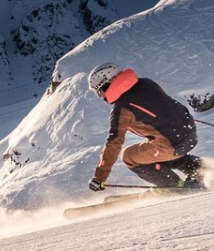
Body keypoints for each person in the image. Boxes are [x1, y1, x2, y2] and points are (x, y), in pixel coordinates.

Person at [86, 63, 204, 191]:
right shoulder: (146, 83)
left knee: (130, 157)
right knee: (153, 148)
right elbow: (163, 104)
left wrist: (99, 178)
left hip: (173, 144)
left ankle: (176, 186)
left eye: (99, 91)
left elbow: (114, 143)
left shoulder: (122, 108)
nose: (100, 96)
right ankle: (196, 167)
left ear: (107, 83)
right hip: (189, 131)